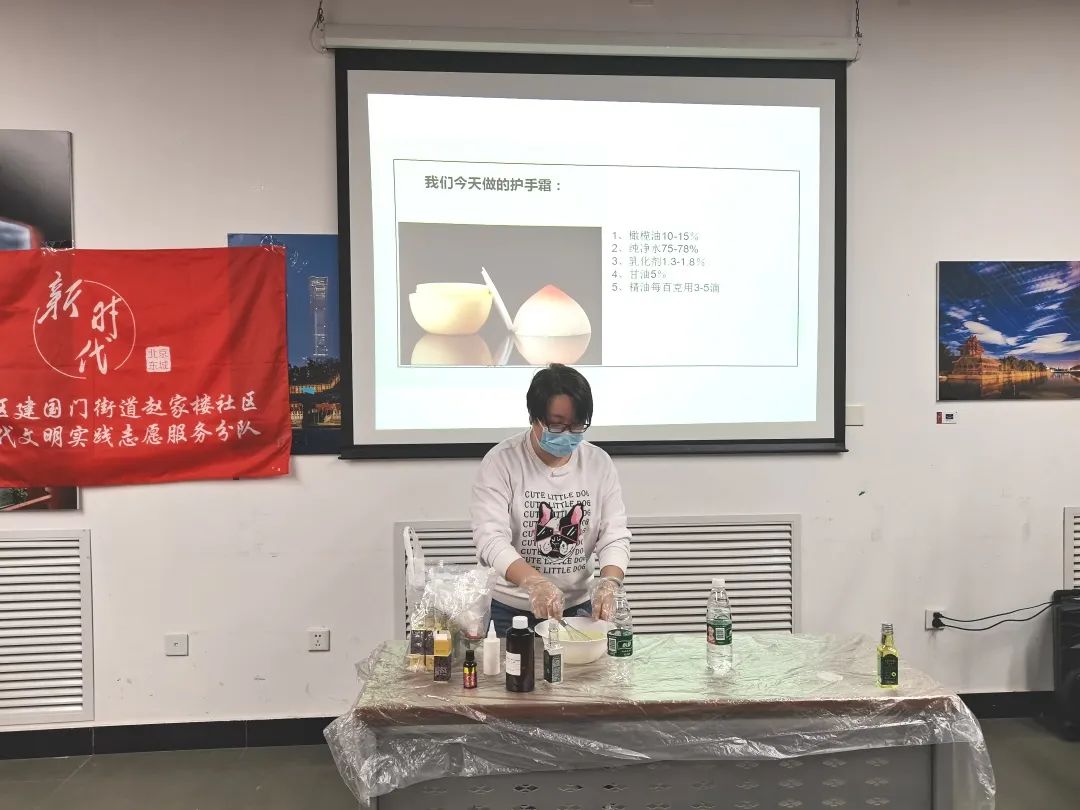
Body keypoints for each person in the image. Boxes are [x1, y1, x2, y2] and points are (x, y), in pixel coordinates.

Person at [471, 364, 631, 636]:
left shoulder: (598, 463)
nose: (567, 433)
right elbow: (491, 539)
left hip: (578, 607)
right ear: (534, 418)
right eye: (557, 424)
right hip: (509, 609)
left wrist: (609, 583)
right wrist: (534, 583)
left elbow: (614, 535)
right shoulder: (501, 462)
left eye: (577, 425)